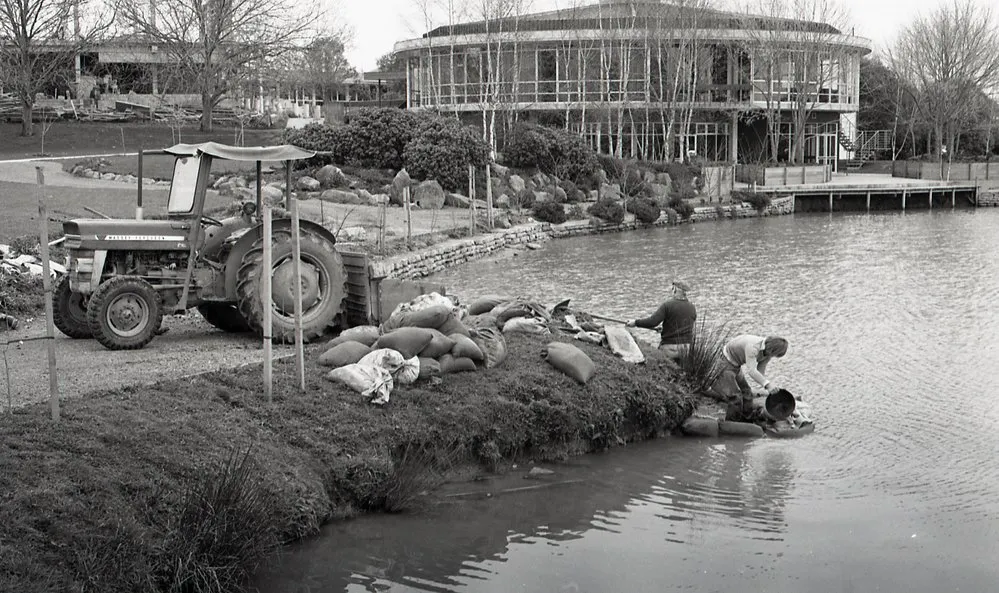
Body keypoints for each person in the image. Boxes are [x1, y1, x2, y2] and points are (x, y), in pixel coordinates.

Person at [715, 334, 788, 417]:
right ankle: (733, 420)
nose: (772, 356)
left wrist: (768, 386)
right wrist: (767, 384)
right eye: (774, 354)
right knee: (735, 397)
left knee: (747, 392)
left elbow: (760, 371)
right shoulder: (753, 347)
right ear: (771, 349)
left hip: (736, 365)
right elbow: (751, 371)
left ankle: (747, 416)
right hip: (725, 362)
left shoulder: (768, 353)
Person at [626, 280, 697, 359]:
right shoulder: (692, 308)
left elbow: (652, 322)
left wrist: (635, 322)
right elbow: (685, 326)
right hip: (686, 349)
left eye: (672, 288)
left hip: (669, 348)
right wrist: (665, 330)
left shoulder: (667, 305)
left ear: (675, 289)